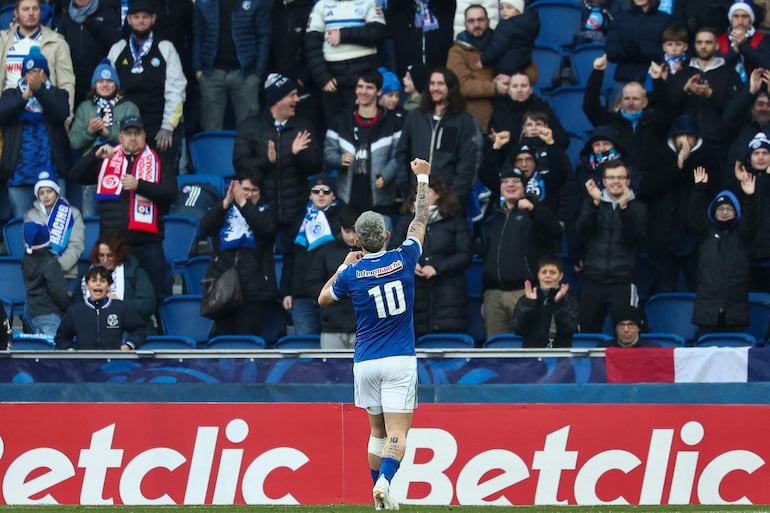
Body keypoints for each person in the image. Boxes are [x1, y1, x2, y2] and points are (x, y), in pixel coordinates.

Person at [318, 158, 431, 511]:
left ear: (357, 238)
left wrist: (344, 265)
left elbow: (323, 299)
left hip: (365, 360)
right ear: (384, 235)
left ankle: (379, 497)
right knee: (399, 433)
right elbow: (420, 220)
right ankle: (383, 482)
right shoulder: (405, 257)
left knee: (377, 433)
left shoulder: (352, 275)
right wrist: (423, 177)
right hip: (400, 359)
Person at [69, 114, 178, 303]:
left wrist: (140, 185)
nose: (133, 138)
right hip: (113, 245)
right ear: (120, 137)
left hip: (148, 243)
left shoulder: (158, 160)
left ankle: (161, 332)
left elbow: (170, 193)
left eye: (137, 133)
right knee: (107, 297)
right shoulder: (107, 156)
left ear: (144, 136)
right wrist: (94, 156)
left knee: (159, 295)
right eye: (128, 133)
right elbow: (75, 175)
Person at [233, 73, 322, 254]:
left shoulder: (303, 126)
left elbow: (316, 164)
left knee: (293, 270)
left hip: (296, 212)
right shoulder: (250, 127)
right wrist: (268, 161)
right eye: (292, 95)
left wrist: (298, 155)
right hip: (262, 212)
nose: (297, 99)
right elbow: (240, 165)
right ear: (277, 99)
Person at [481, 166, 562, 338]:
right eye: (505, 182)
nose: (510, 185)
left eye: (516, 181)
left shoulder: (536, 211)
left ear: (524, 186)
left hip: (525, 292)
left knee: (529, 347)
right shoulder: (493, 218)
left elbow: (555, 232)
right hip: (493, 296)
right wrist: (485, 296)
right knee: (496, 350)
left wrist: (533, 210)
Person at [200, 169, 279, 338]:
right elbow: (205, 227)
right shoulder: (224, 209)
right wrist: (226, 202)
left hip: (255, 289)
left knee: (248, 341)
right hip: (224, 286)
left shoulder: (267, 211)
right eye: (245, 190)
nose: (249, 194)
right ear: (236, 189)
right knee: (222, 340)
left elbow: (266, 229)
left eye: (254, 190)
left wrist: (244, 205)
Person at [107, 0, 187, 166]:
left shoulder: (166, 48)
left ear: (153, 18)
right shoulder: (118, 49)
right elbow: (107, 89)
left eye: (145, 17)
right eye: (136, 17)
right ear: (128, 20)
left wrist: (168, 127)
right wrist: (113, 130)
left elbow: (176, 90)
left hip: (158, 127)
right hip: (125, 126)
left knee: (160, 179)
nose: (141, 21)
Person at [390, 177, 471, 337]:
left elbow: (465, 254)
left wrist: (437, 268)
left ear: (439, 194)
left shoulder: (454, 222)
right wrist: (410, 264)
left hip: (449, 296)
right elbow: (394, 253)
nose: (420, 196)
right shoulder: (405, 223)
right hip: (415, 294)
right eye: (417, 193)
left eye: (426, 191)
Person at [324, 68, 402, 231]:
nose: (363, 91)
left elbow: (399, 156)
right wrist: (339, 160)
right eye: (360, 86)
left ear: (379, 91)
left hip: (380, 201)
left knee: (381, 252)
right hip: (348, 199)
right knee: (351, 254)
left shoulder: (393, 122)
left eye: (369, 87)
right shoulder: (341, 120)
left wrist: (386, 175)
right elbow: (328, 152)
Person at [577, 159, 647, 333]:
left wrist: (625, 209)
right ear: (604, 181)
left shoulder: (638, 207)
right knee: (585, 332)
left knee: (627, 333)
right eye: (611, 177)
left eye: (620, 177)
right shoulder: (592, 204)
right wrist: (594, 204)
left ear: (628, 181)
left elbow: (637, 238)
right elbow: (581, 231)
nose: (616, 181)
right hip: (593, 279)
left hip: (622, 280)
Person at [0, 46, 71, 217]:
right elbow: (2, 115)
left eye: (39, 71)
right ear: (23, 74)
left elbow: (60, 114)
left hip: (52, 168)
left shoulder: (58, 94)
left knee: (55, 221)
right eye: (30, 72)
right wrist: (23, 97)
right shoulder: (11, 94)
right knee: (22, 222)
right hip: (20, 171)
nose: (34, 76)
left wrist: (40, 91)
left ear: (46, 73)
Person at [68, 59, 141, 216]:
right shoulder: (85, 108)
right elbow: (73, 142)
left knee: (119, 218)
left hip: (121, 172)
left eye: (109, 81)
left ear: (116, 84)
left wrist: (109, 133)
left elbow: (137, 142)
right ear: (94, 85)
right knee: (90, 217)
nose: (105, 85)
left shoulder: (129, 107)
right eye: (101, 81)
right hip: (91, 172)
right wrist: (90, 131)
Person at [396, 67, 481, 200]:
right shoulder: (414, 116)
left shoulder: (464, 121)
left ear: (451, 87)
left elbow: (467, 163)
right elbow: (401, 153)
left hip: (448, 200)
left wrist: (454, 196)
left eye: (440, 84)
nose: (435, 88)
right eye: (432, 83)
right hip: (415, 195)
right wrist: (405, 187)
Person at [690, 165, 757, 334]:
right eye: (721, 209)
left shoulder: (742, 235)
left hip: (735, 309)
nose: (725, 212)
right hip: (708, 308)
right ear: (713, 211)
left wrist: (749, 197)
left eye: (729, 209)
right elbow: (694, 218)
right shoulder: (705, 233)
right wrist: (699, 190)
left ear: (736, 212)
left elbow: (751, 222)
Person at [304, 0, 388, 124]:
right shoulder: (321, 5)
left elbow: (378, 32)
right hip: (332, 78)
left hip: (364, 74)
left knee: (366, 122)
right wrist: (322, 76)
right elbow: (311, 45)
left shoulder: (369, 2)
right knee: (335, 125)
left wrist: (343, 35)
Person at [191, 0, 271, 130]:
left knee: (249, 131)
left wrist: (257, 73)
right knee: (211, 130)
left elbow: (264, 36)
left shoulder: (257, 2)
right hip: (211, 73)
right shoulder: (203, 2)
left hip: (246, 74)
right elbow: (198, 36)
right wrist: (198, 69)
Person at [282, 173, 342, 335]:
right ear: (310, 195)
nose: (321, 194)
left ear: (334, 195)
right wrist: (287, 292)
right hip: (301, 294)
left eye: (326, 191)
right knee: (307, 350)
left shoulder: (342, 219)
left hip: (331, 292)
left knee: (332, 345)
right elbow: (290, 258)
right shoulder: (298, 220)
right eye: (316, 191)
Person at [0, 0, 76, 116]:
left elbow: (67, 83)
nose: (31, 13)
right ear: (16, 13)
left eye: (35, 9)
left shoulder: (57, 42)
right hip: (9, 115)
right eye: (26, 9)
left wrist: (67, 118)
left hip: (45, 116)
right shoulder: (2, 41)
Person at [446, 4, 512, 133]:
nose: (476, 24)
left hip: (506, 115)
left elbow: (531, 71)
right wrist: (494, 88)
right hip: (474, 120)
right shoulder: (457, 51)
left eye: (480, 20)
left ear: (488, 22)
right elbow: (461, 85)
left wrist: (512, 79)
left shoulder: (502, 43)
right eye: (471, 21)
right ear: (465, 24)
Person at [77, 230, 157, 336]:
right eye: (101, 255)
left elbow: (148, 304)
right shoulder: (89, 273)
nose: (105, 260)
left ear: (119, 255)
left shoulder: (134, 271)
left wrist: (119, 304)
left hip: (129, 329)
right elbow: (75, 304)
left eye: (110, 256)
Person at [55, 265, 148, 350]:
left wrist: (129, 345)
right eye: (94, 280)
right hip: (84, 364)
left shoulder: (120, 308)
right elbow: (61, 337)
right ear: (87, 285)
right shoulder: (75, 311)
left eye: (103, 281)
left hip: (113, 364)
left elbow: (140, 329)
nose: (98, 284)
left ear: (109, 287)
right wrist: (71, 351)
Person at [307, 205, 359, 349]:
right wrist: (338, 290)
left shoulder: (371, 251)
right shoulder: (326, 251)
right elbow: (312, 286)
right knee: (330, 371)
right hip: (332, 326)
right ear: (340, 228)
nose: (351, 236)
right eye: (347, 231)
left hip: (363, 327)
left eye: (355, 231)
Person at [57, 0, 122, 106]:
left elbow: (117, 46)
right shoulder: (64, 14)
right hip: (72, 83)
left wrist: (101, 31)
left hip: (100, 83)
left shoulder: (107, 12)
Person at [24, 171, 85, 283]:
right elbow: (29, 245)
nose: (46, 196)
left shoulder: (73, 213)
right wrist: (43, 269)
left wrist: (57, 266)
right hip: (39, 274)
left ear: (56, 192)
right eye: (41, 193)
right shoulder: (30, 215)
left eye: (49, 191)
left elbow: (76, 245)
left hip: (66, 273)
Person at [510, 255, 579, 348]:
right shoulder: (527, 298)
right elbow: (517, 329)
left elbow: (569, 328)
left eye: (552, 272)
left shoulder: (569, 299)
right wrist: (529, 304)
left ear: (560, 276)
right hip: (531, 358)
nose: (548, 276)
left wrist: (558, 302)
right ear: (538, 275)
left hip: (560, 359)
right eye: (544, 272)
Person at [605, 0, 670, 88]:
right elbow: (610, 52)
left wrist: (640, 52)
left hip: (654, 79)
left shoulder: (666, 20)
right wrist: (626, 51)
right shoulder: (619, 18)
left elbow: (669, 52)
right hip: (624, 80)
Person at [21, 221, 70, 336]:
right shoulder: (50, 263)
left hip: (34, 313)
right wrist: (69, 307)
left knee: (42, 347)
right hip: (51, 313)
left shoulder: (26, 260)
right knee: (52, 351)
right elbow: (58, 292)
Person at [479, 0, 539, 79]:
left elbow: (497, 47)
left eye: (509, 8)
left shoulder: (507, 25)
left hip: (505, 68)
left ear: (518, 10)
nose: (504, 11)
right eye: (502, 8)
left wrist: (484, 60)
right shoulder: (528, 25)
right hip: (523, 66)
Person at [718, 1, 770, 83]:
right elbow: (714, 68)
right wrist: (734, 50)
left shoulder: (764, 39)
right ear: (730, 19)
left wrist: (744, 46)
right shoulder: (718, 40)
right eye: (736, 16)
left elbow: (767, 64)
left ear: (751, 19)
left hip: (758, 88)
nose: (740, 21)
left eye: (745, 16)